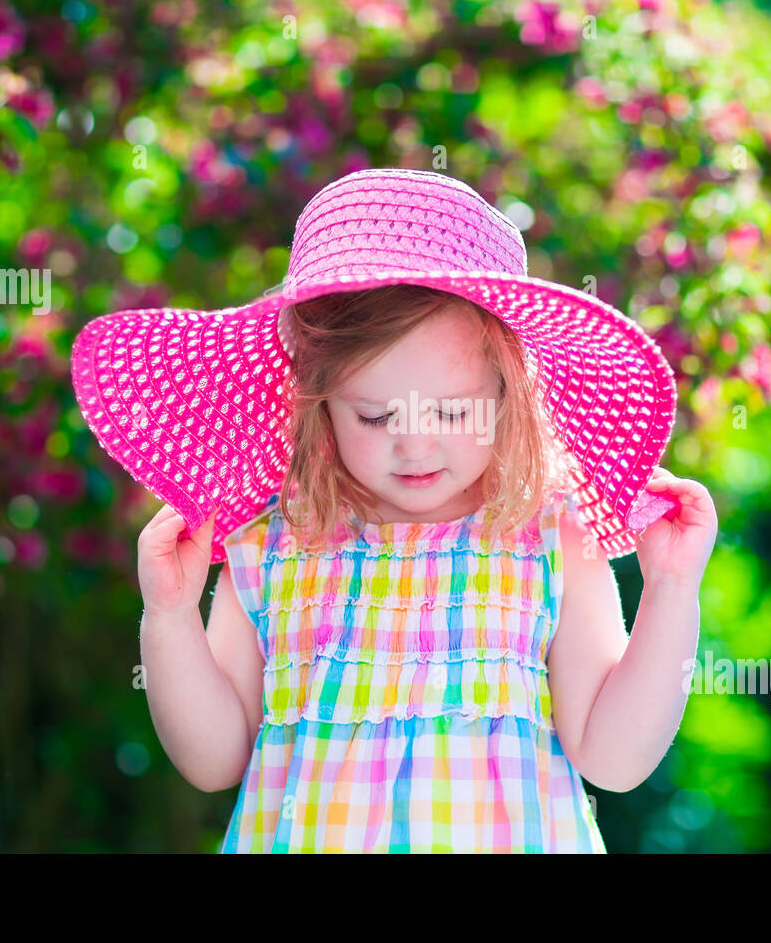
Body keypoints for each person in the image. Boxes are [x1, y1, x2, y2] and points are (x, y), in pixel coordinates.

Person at [71, 167, 718, 852]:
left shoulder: (549, 538)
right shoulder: (272, 544)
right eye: (376, 416)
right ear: (316, 405)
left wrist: (672, 591)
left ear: (507, 395)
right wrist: (169, 615)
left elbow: (615, 761)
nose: (415, 443)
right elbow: (214, 761)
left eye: (452, 409)